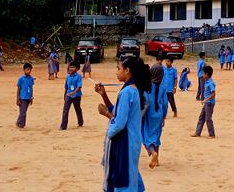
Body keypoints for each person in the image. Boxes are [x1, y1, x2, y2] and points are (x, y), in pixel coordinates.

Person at [96, 57, 149, 191]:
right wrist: (104, 95)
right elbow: (118, 113)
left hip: (125, 142)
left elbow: (119, 122)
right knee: (130, 175)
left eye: (119, 68)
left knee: (124, 179)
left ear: (127, 71)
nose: (116, 72)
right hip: (131, 141)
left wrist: (108, 128)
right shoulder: (132, 89)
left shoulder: (127, 92)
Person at [143, 62, 167, 168]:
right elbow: (165, 103)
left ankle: (153, 153)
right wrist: (164, 116)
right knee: (157, 136)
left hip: (149, 115)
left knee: (146, 135)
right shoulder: (163, 87)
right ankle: (157, 160)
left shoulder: (147, 87)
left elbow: (144, 102)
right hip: (159, 114)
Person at [191, 65, 216, 138]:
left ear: (207, 74)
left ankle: (212, 134)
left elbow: (213, 94)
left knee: (208, 119)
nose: (202, 75)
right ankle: (197, 132)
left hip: (209, 103)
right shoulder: (207, 81)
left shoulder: (211, 83)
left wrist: (206, 100)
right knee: (201, 117)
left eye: (203, 73)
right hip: (206, 103)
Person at [60, 60, 84, 129]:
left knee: (78, 109)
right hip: (68, 95)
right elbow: (66, 86)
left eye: (73, 67)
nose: (71, 69)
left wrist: (74, 92)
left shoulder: (79, 77)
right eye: (70, 67)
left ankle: (80, 122)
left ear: (77, 69)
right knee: (65, 110)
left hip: (77, 96)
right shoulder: (68, 77)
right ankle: (63, 126)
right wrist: (65, 94)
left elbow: (79, 86)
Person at [16, 62, 35, 129]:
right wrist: (17, 99)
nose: (29, 71)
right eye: (27, 69)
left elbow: (31, 88)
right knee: (23, 113)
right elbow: (18, 89)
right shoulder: (21, 79)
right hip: (22, 98)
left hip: (28, 98)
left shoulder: (31, 79)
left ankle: (18, 122)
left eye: (30, 70)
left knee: (23, 111)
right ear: (24, 70)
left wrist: (31, 97)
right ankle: (22, 125)